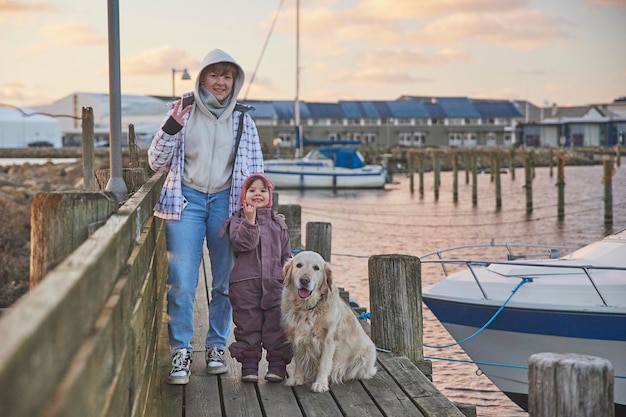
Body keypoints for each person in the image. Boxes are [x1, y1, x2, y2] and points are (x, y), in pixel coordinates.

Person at [148, 49, 264, 385]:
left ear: (235, 81)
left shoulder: (244, 119)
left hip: (227, 206)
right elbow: (155, 161)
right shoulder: (183, 111)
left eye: (227, 76)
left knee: (226, 283)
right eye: (214, 75)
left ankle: (216, 346)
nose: (221, 82)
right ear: (202, 78)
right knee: (183, 281)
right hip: (187, 201)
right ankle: (181, 352)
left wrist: (256, 211)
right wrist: (172, 125)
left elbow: (256, 174)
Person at [221, 172, 293, 382]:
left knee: (277, 325)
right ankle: (249, 367)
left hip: (275, 284)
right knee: (248, 325)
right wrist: (250, 221)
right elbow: (243, 244)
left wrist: (288, 281)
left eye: (263, 190)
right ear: (244, 196)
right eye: (252, 190)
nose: (257, 194)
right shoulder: (237, 221)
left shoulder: (279, 224)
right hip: (246, 285)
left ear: (270, 195)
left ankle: (277, 367)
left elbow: (286, 256)